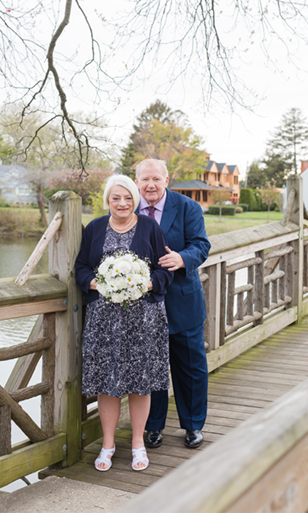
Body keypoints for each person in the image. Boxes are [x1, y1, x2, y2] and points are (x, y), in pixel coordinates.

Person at [75, 175, 174, 472]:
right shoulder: (93, 228)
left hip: (143, 319)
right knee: (108, 383)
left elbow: (164, 269)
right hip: (104, 322)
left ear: (136, 200)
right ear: (107, 200)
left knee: (140, 384)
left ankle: (138, 444)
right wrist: (93, 283)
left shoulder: (150, 228)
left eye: (128, 198)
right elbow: (80, 266)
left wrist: (147, 285)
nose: (122, 203)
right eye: (116, 198)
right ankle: (107, 445)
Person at [134, 158, 212, 450]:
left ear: (167, 180)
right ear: (137, 181)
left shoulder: (188, 207)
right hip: (142, 304)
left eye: (156, 179)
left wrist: (182, 259)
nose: (150, 185)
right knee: (151, 367)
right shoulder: (128, 208)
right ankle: (152, 427)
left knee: (190, 367)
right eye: (145, 180)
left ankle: (193, 425)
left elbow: (201, 245)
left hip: (182, 300)